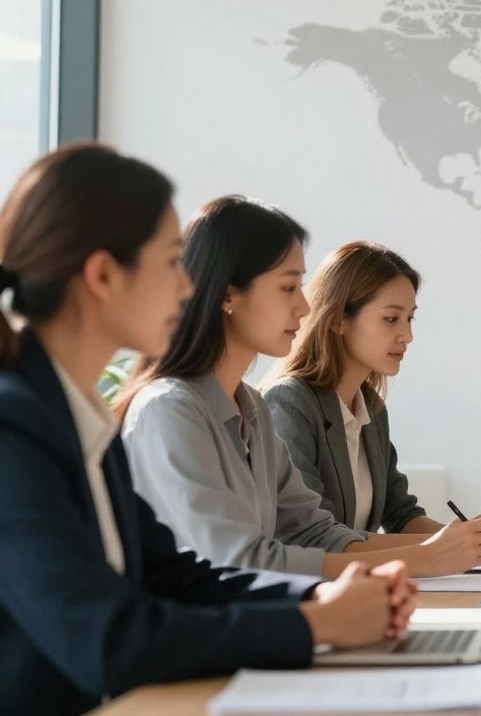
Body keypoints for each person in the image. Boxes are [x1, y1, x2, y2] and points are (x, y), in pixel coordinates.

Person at [0, 145, 414, 716]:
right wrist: (316, 622)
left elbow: (175, 576)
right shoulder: (14, 427)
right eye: (173, 263)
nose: (187, 287)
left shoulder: (76, 415)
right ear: (101, 275)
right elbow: (109, 640)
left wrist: (321, 595)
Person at [118, 196, 481, 578]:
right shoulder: (169, 409)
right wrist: (424, 559)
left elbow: (313, 530)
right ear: (227, 295)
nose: (305, 307)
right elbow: (237, 560)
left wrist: (445, 548)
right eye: (288, 288)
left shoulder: (250, 407)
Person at [264, 241, 447, 534]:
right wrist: (442, 548)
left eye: (409, 318)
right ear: (338, 320)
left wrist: (466, 539)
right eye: (391, 319)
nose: (407, 335)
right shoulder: (289, 402)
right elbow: (311, 535)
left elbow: (400, 514)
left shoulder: (371, 408)